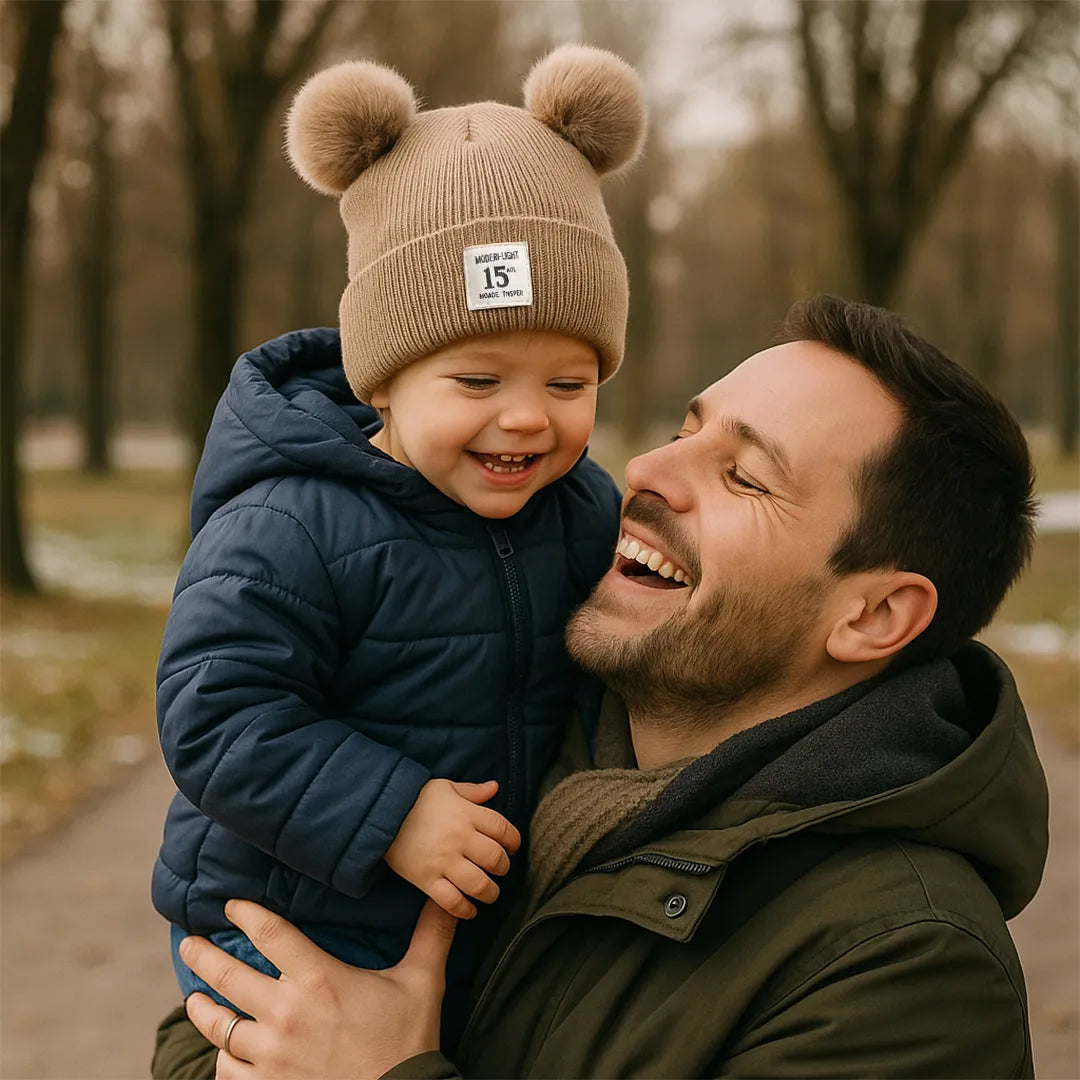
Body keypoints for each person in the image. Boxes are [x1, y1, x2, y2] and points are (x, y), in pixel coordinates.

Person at [154, 295, 1048, 1079]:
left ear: (875, 615)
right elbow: (220, 1016)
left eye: (743, 476)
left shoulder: (905, 969)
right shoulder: (527, 734)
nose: (650, 471)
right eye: (685, 432)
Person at [151, 43, 648, 1056]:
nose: (527, 418)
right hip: (290, 929)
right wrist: (394, 813)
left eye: (568, 384)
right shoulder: (293, 524)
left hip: (478, 928)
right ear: (382, 379)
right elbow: (216, 712)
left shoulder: (581, 511)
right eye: (478, 381)